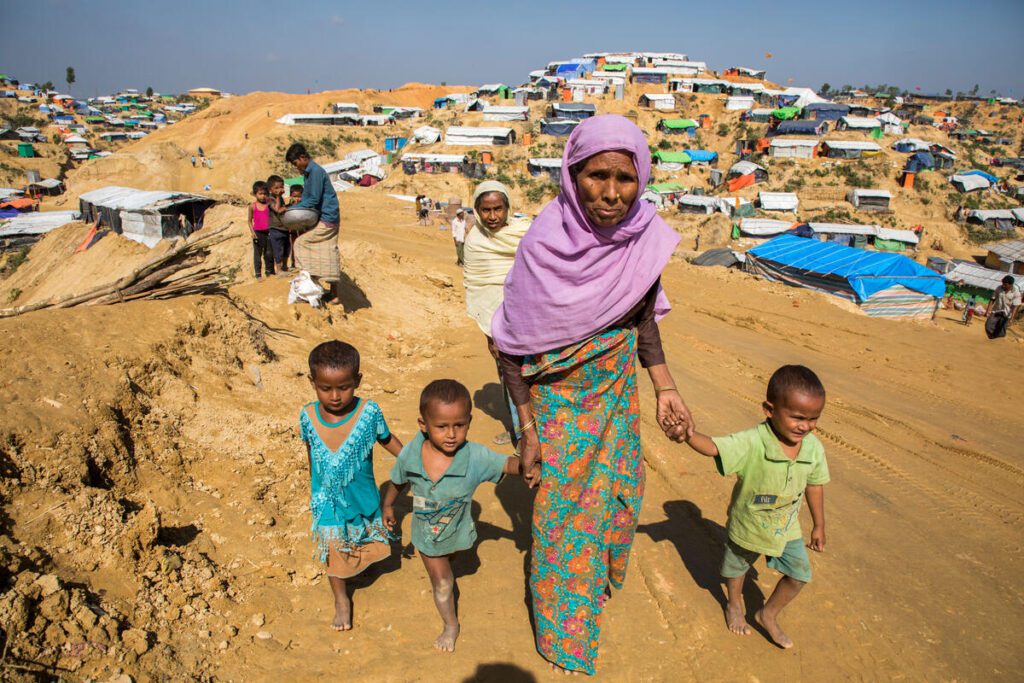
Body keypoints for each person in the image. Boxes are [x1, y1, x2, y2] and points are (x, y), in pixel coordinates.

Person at [491, 115, 691, 675]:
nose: (610, 193)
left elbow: (642, 316)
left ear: (642, 177)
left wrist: (664, 387)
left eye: (624, 178)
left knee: (623, 501)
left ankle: (595, 585)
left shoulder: (643, 238)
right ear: (571, 174)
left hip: (616, 402)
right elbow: (509, 347)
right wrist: (527, 431)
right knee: (563, 524)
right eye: (595, 176)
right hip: (555, 412)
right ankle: (563, 637)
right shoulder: (543, 246)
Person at [674, 365, 829, 649]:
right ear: (770, 409)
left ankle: (767, 614)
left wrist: (819, 525)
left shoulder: (813, 448)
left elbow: (815, 485)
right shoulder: (752, 441)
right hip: (748, 524)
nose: (805, 426)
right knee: (736, 569)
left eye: (813, 418)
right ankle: (734, 604)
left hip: (786, 528)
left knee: (799, 574)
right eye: (797, 417)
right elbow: (715, 448)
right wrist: (688, 436)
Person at [381, 380, 522, 653]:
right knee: (443, 581)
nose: (451, 434)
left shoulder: (475, 457)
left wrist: (529, 466)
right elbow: (398, 481)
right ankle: (450, 624)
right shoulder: (412, 452)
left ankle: (449, 562)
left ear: (469, 421)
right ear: (423, 424)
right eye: (441, 426)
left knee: (453, 556)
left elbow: (506, 464)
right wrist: (388, 506)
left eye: (459, 425)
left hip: (459, 531)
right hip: (426, 536)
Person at [301, 341, 403, 631]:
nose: (335, 396)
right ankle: (341, 600)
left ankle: (359, 566)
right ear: (312, 383)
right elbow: (311, 453)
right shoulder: (307, 416)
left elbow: (387, 439)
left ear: (357, 381)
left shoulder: (368, 413)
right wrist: (315, 489)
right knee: (334, 548)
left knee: (361, 538)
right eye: (325, 388)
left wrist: (411, 460)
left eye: (344, 387)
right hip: (328, 500)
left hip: (362, 495)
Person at [462, 180, 530, 446]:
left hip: (532, 321)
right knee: (509, 379)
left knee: (535, 379)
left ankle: (537, 433)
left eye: (498, 209)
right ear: (477, 210)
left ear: (507, 208)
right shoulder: (474, 242)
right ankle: (519, 432)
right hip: (499, 328)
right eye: (486, 210)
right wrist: (490, 336)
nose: (493, 216)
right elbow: (480, 292)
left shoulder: (526, 233)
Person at [286, 143, 342, 305]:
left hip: (328, 216)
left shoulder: (316, 172)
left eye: (296, 163)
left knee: (301, 244)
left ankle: (311, 286)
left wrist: (293, 208)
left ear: (303, 158)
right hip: (326, 215)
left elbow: (313, 199)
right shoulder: (309, 173)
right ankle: (331, 293)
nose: (296, 167)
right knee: (327, 250)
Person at [247, 181, 274, 278]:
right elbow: (249, 221)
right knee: (257, 254)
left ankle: (269, 272)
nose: (263, 196)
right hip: (258, 233)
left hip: (269, 232)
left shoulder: (269, 205)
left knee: (269, 253)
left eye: (265, 194)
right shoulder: (252, 206)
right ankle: (258, 275)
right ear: (255, 194)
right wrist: (252, 232)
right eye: (260, 194)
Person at [266, 175, 291, 275]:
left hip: (284, 227)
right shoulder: (270, 199)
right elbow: (277, 209)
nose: (279, 190)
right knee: (278, 249)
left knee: (286, 248)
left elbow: (283, 208)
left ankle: (285, 266)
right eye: (276, 188)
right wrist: (277, 196)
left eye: (281, 187)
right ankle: (279, 269)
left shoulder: (280, 198)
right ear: (270, 189)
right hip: (275, 228)